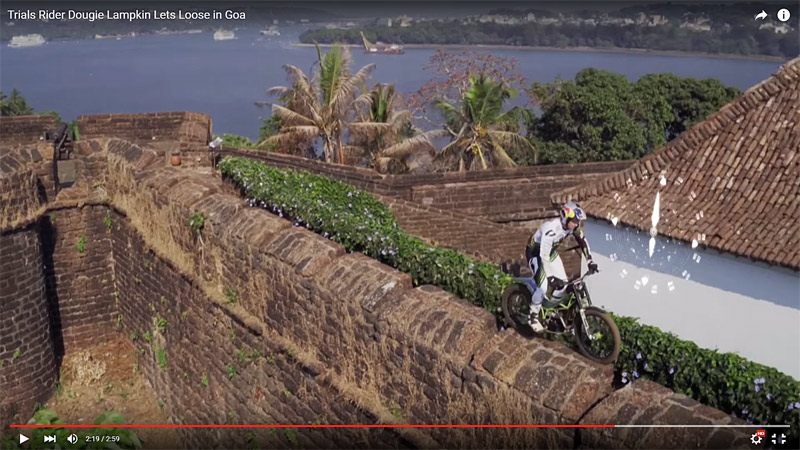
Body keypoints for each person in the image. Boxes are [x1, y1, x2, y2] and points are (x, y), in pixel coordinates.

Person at [525, 201, 598, 332]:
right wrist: (550, 277)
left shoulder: (571, 228)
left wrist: (590, 261)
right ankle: (533, 316)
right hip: (536, 254)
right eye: (575, 221)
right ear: (565, 218)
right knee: (542, 286)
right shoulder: (551, 230)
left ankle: (550, 309)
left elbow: (583, 242)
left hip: (551, 253)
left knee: (563, 283)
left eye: (578, 221)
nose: (577, 224)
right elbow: (543, 256)